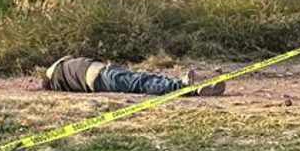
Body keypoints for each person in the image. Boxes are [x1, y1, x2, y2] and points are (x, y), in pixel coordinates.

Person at [41, 56, 226, 97]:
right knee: (141, 82)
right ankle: (184, 86)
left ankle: (193, 85)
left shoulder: (60, 74)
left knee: (141, 80)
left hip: (103, 74)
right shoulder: (56, 71)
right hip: (102, 76)